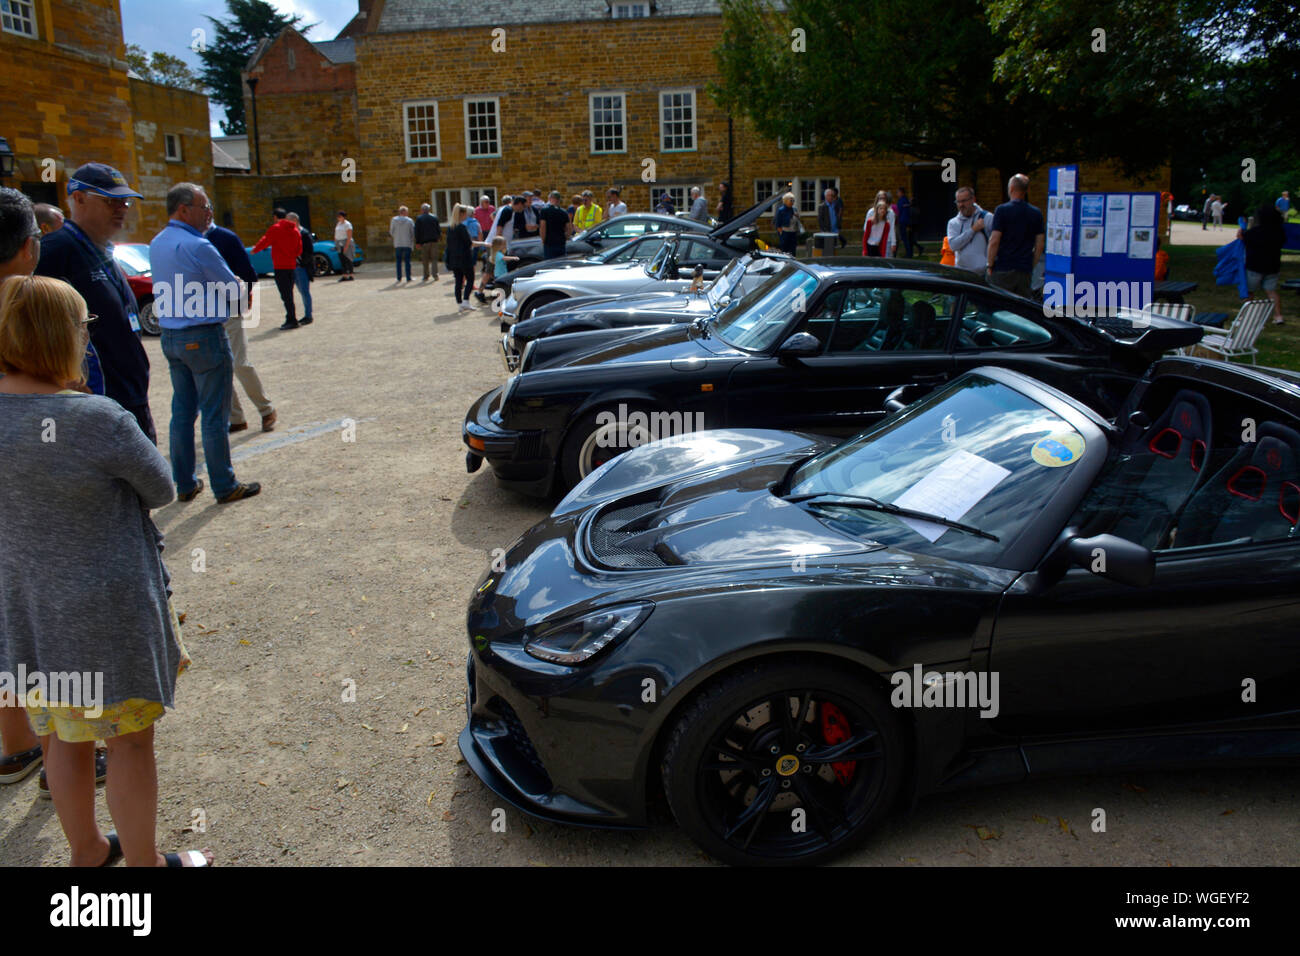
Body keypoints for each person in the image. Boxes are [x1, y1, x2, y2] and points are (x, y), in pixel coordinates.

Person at [0, 274, 212, 867]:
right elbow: (162, 486)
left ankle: (88, 852)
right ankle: (144, 868)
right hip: (105, 616)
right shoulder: (97, 418)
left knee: (63, 740)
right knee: (128, 743)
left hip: (31, 618)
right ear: (66, 336)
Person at [150, 183, 260, 504]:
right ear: (183, 210)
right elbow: (233, 290)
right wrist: (237, 285)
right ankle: (224, 485)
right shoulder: (200, 246)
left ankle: (184, 482)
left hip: (171, 336)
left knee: (182, 412)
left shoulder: (157, 243)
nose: (208, 212)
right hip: (203, 334)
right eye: (203, 206)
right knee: (215, 414)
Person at [35, 162, 155, 442]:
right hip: (98, 407)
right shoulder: (57, 250)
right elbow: (28, 325)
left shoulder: (104, 250)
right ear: (79, 199)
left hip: (130, 398)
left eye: (124, 201)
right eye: (111, 201)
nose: (122, 208)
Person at [203, 213, 276, 434]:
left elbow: (248, 273)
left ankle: (266, 409)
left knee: (239, 363)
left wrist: (242, 298)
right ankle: (236, 417)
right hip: (204, 314)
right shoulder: (191, 240)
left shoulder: (224, 238)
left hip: (228, 309)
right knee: (217, 367)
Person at [986, 174, 1045, 298]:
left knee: (999, 304)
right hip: (1024, 268)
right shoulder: (1036, 213)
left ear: (1011, 188)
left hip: (1003, 267)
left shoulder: (1002, 210)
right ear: (1025, 190)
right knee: (1021, 307)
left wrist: (990, 264)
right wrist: (1031, 264)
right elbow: (1040, 244)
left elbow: (994, 240)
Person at [251, 208, 302, 330]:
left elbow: (265, 240)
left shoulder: (276, 229)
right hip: (291, 265)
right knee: (289, 293)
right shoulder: (295, 229)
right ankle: (291, 317)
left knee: (285, 295)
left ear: (275, 217)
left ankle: (291, 319)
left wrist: (255, 250)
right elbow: (299, 249)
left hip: (280, 266)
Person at [1241, 202, 1288, 325]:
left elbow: (1244, 241)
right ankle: (1278, 316)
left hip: (1254, 266)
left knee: (1249, 292)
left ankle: (1246, 316)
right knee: (1271, 291)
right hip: (1273, 266)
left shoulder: (1255, 232)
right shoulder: (1279, 232)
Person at [946, 186, 991, 273]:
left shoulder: (987, 218)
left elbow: (995, 243)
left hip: (984, 273)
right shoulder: (953, 223)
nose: (961, 205)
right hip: (962, 273)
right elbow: (953, 246)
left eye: (964, 201)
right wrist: (973, 230)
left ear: (973, 200)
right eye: (958, 202)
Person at [445, 204, 478, 311]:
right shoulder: (462, 228)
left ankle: (460, 303)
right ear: (462, 214)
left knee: (458, 281)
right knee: (470, 279)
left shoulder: (450, 228)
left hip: (454, 258)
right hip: (464, 257)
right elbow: (468, 242)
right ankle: (465, 301)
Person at [285, 212, 314, 325]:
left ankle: (308, 315)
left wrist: (302, 263)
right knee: (300, 291)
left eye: (288, 221)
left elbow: (309, 252)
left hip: (301, 266)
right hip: (293, 266)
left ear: (295, 221)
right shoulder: (290, 233)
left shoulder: (304, 233)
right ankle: (306, 314)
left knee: (305, 291)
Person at [539, 190, 573, 259]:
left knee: (549, 264)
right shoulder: (563, 212)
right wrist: (565, 237)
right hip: (560, 242)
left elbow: (543, 226)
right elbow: (569, 228)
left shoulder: (545, 211)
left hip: (549, 242)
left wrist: (543, 240)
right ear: (559, 200)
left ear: (550, 199)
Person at [414, 203, 442, 282]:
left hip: (424, 242)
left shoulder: (419, 219)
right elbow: (438, 229)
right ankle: (435, 275)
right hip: (434, 241)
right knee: (434, 259)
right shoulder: (434, 217)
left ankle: (426, 275)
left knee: (425, 260)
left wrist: (417, 242)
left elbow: (417, 232)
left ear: (422, 210)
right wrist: (438, 238)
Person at [389, 205, 415, 283]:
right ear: (405, 212)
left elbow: (391, 231)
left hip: (398, 243)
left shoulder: (393, 220)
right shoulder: (410, 221)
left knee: (398, 261)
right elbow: (412, 232)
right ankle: (408, 277)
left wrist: (396, 237)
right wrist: (411, 239)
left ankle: (399, 277)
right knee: (407, 261)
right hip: (407, 243)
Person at [897, 187, 921, 257]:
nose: (897, 194)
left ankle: (909, 253)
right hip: (906, 221)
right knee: (907, 238)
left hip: (903, 221)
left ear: (901, 192)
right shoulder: (905, 201)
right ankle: (910, 252)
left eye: (898, 192)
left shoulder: (903, 200)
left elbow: (900, 211)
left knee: (905, 238)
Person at [334, 210, 355, 281]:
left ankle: (351, 275)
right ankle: (345, 275)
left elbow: (349, 236)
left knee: (348, 259)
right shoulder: (338, 224)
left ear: (343, 217)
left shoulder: (347, 224)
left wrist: (346, 245)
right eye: (338, 216)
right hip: (339, 243)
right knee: (342, 259)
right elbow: (336, 233)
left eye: (340, 216)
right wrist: (335, 242)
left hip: (346, 242)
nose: (338, 218)